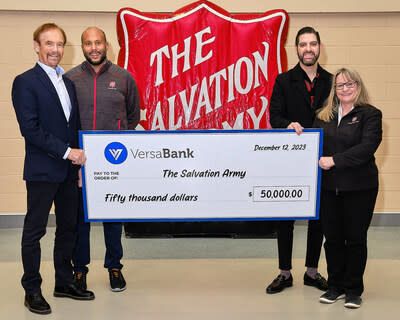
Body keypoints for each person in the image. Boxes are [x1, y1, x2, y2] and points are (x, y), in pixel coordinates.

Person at [11, 23, 95, 315]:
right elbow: (30, 129)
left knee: (68, 227)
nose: (55, 50)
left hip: (70, 171)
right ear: (36, 46)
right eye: (49, 44)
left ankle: (64, 282)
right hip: (42, 171)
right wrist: (67, 152)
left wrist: (80, 163)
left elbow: (73, 127)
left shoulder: (68, 82)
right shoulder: (25, 82)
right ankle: (32, 289)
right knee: (34, 232)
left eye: (59, 44)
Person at [65, 27, 140, 292]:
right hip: (79, 163)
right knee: (81, 220)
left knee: (112, 216)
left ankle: (115, 266)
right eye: (88, 43)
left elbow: (133, 117)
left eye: (98, 42)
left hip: (113, 163)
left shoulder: (124, 78)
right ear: (83, 46)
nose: (93, 47)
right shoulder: (70, 78)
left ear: (106, 45)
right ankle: (79, 270)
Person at [267, 26, 331, 294]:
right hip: (291, 159)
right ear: (297, 49)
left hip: (322, 157)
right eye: (303, 44)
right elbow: (274, 116)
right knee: (286, 218)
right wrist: (288, 124)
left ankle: (312, 272)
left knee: (318, 216)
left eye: (313, 44)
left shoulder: (330, 80)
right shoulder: (283, 80)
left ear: (319, 48)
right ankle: (284, 273)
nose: (308, 49)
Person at [314, 68, 382, 309]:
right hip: (329, 188)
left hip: (360, 188)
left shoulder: (371, 115)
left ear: (358, 86)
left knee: (355, 239)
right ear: (334, 90)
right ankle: (335, 286)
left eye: (349, 84)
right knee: (332, 240)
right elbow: (312, 145)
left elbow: (366, 148)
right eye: (339, 85)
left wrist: (334, 160)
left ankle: (353, 290)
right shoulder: (323, 116)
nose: (345, 89)